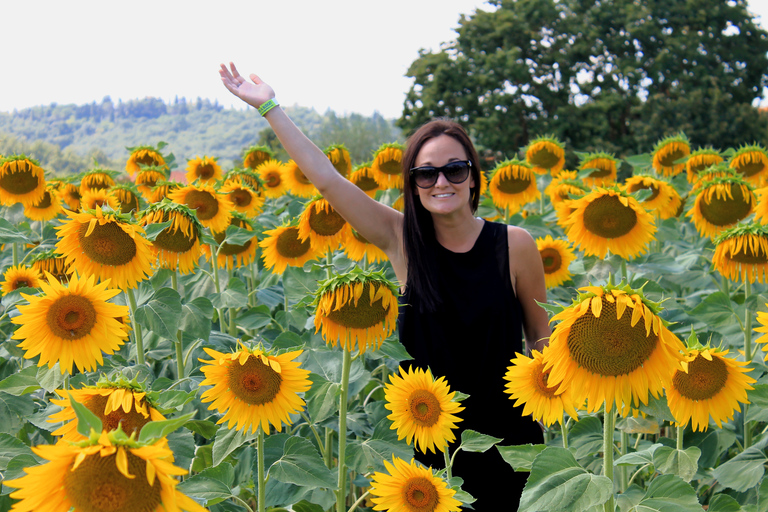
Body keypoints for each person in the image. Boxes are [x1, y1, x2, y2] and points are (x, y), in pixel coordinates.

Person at [219, 62, 551, 509]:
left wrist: (551, 423)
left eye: (454, 169)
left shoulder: (515, 245)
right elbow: (327, 179)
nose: (440, 182)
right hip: (428, 439)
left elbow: (542, 342)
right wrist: (271, 108)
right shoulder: (401, 240)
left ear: (473, 175)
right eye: (425, 173)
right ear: (412, 185)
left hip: (510, 440)